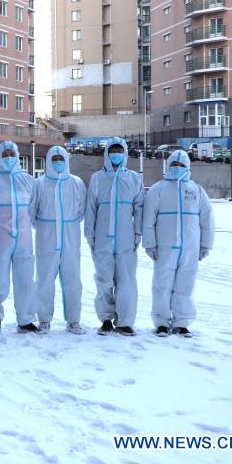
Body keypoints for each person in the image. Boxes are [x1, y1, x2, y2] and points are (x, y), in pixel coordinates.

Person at [143, 150, 214, 337]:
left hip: (190, 248)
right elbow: (148, 219)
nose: (177, 168)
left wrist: (205, 244)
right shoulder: (158, 189)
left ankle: (181, 322)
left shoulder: (196, 190)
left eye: (181, 165)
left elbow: (207, 220)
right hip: (164, 247)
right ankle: (161, 322)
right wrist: (149, 243)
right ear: (168, 166)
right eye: (174, 164)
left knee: (186, 285)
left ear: (188, 167)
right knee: (162, 285)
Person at [84, 137, 144, 336]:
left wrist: (138, 232)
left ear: (125, 153)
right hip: (103, 237)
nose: (116, 154)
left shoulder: (134, 178)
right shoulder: (97, 178)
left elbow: (139, 208)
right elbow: (91, 208)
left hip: (126, 237)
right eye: (113, 150)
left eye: (119, 150)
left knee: (127, 281)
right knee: (104, 280)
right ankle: (106, 320)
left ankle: (125, 322)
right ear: (106, 154)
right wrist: (90, 234)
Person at [31, 146, 87, 335]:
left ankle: (73, 320)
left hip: (70, 236)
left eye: (60, 158)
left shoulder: (76, 183)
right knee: (44, 280)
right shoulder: (39, 184)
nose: (57, 162)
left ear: (66, 160)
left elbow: (81, 210)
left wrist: (68, 224)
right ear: (48, 160)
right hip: (46, 237)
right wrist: (46, 227)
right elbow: (31, 211)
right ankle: (44, 320)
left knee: (73, 280)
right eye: (54, 159)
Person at [0, 141, 38, 333]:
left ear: (17, 155)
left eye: (12, 154)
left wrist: (26, 226)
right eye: (5, 154)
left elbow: (34, 208)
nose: (8, 157)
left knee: (25, 279)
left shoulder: (29, 180)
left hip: (23, 237)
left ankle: (26, 319)